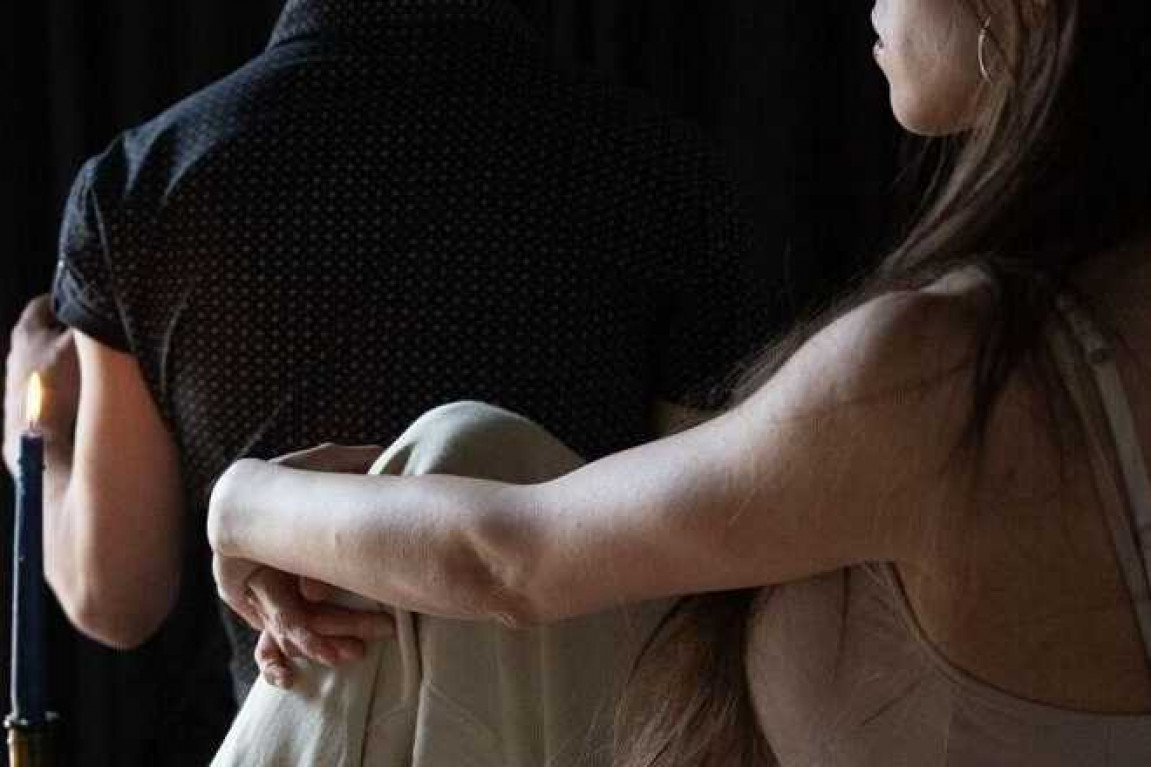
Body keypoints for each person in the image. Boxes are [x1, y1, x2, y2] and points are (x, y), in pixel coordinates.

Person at [209, 0, 1151, 764]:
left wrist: (240, 501)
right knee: (474, 452)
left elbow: (507, 561)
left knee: (447, 498)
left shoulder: (948, 374)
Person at [1, 0, 772, 756]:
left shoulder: (149, 181)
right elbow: (709, 556)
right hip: (590, 736)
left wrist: (41, 442)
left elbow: (114, 595)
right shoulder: (652, 163)